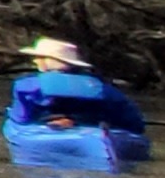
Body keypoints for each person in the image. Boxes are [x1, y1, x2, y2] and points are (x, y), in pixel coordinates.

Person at [9, 37, 150, 140]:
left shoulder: (28, 85)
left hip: (54, 130)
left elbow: (21, 119)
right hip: (97, 129)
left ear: (47, 61)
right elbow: (135, 124)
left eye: (38, 57)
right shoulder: (101, 86)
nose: (35, 61)